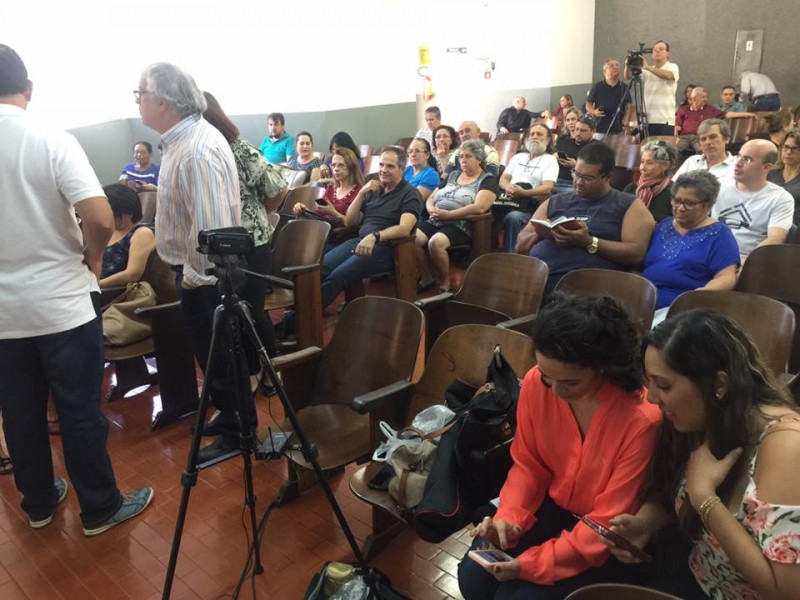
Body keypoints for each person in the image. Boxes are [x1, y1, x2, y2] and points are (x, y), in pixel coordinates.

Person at [0, 44, 153, 535]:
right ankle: (100, 508)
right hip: (62, 305)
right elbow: (101, 217)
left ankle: (39, 503)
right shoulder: (50, 139)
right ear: (28, 88)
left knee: (19, 414)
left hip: (4, 318)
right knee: (79, 410)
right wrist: (92, 257)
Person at [457, 293, 662, 600]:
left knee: (517, 597)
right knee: (474, 577)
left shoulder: (641, 419)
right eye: (547, 377)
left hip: (604, 534)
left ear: (602, 368)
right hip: (554, 506)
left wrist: (530, 565)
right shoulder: (536, 384)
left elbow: (607, 521)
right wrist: (510, 518)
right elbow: (529, 465)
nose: (555, 391)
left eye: (570, 382)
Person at [603, 310, 800, 600]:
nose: (653, 398)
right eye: (650, 383)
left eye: (664, 385)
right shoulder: (703, 417)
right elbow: (674, 493)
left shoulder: (786, 448)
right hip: (694, 576)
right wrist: (645, 524)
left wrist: (705, 498)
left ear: (719, 384)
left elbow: (787, 591)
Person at [137, 62, 244, 463]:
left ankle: (238, 431)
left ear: (162, 101)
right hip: (194, 272)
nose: (137, 101)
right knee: (210, 354)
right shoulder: (180, 141)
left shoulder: (197, 149)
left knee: (221, 353)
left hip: (206, 276)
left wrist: (196, 279)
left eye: (140, 94)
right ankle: (229, 413)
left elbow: (210, 228)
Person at [202, 91, 286, 362]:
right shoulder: (200, 153)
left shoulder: (240, 149)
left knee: (251, 310)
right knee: (227, 312)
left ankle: (269, 369)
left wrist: (257, 214)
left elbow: (277, 188)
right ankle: (245, 370)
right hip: (220, 244)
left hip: (252, 243)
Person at [516, 143, 655, 294]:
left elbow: (636, 254)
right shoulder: (555, 201)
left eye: (588, 178)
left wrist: (588, 241)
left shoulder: (628, 205)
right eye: (576, 174)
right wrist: (542, 233)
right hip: (536, 279)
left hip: (587, 289)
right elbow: (520, 245)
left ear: (608, 177)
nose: (579, 182)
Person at [318, 147, 421, 310]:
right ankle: (303, 310)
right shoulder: (375, 190)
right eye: (381, 165)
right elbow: (350, 222)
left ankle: (303, 317)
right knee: (320, 269)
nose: (383, 170)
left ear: (402, 169)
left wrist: (375, 236)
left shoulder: (410, 194)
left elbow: (404, 228)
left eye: (390, 166)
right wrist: (361, 193)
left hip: (386, 247)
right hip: (359, 241)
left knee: (339, 275)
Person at [641, 171, 740, 323]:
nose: (680, 208)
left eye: (689, 203)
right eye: (677, 200)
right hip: (643, 298)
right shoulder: (664, 226)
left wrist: (699, 294)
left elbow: (726, 277)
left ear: (707, 206)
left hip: (681, 309)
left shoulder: (720, 234)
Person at [416, 139, 499, 293]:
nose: (463, 160)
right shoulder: (453, 175)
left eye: (468, 156)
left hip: (460, 225)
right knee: (411, 238)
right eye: (461, 157)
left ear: (479, 159)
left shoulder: (488, 179)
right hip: (436, 219)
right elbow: (431, 198)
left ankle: (445, 281)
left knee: (435, 242)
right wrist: (432, 209)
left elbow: (480, 207)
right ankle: (426, 277)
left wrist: (449, 215)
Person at [712, 139, 794, 258]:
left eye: (747, 159)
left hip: (745, 258)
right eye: (739, 156)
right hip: (708, 253)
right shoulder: (717, 187)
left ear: (766, 167)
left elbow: (775, 239)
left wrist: (748, 262)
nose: (738, 163)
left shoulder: (781, 198)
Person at [496, 123, 559, 253]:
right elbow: (503, 179)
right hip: (506, 199)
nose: (534, 137)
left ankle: (511, 256)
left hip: (529, 204)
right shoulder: (518, 157)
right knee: (485, 214)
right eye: (532, 134)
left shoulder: (550, 160)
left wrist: (524, 193)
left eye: (539, 134)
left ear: (548, 139)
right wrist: (508, 187)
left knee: (513, 217)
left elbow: (547, 187)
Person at [99, 183, 157, 288]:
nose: (107, 219)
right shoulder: (109, 231)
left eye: (113, 215)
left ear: (129, 212)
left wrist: (95, 285)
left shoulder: (141, 233)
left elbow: (132, 274)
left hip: (114, 290)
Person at [293, 147, 364, 228]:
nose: (336, 169)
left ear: (351, 167)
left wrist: (333, 213)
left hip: (338, 232)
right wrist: (304, 210)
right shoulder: (331, 188)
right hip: (320, 228)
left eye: (341, 165)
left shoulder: (359, 192)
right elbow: (319, 214)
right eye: (333, 165)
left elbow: (351, 224)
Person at [675, 87, 753, 154]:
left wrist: (745, 114)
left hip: (699, 137)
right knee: (677, 149)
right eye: (703, 97)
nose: (705, 99)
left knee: (701, 150)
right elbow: (677, 125)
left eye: (705, 97)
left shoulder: (709, 109)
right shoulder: (683, 109)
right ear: (695, 98)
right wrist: (675, 134)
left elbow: (726, 114)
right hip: (684, 137)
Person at [625, 40, 679, 136]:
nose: (657, 51)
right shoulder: (646, 71)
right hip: (646, 120)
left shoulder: (672, 66)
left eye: (661, 49)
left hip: (664, 120)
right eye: (655, 50)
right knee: (646, 145)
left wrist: (648, 67)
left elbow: (668, 75)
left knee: (662, 146)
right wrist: (627, 65)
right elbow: (628, 76)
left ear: (668, 53)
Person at [623, 141, 676, 223]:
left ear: (665, 166)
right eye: (642, 162)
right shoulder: (631, 188)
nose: (642, 168)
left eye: (649, 163)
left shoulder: (673, 193)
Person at [673, 118, 736, 183]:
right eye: (703, 139)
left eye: (713, 137)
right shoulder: (691, 161)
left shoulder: (736, 166)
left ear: (726, 139)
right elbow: (674, 187)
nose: (707, 142)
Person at [554, 114, 598, 193]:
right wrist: (554, 157)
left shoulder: (598, 148)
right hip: (555, 180)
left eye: (583, 131)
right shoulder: (565, 142)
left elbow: (596, 171)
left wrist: (575, 165)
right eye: (576, 129)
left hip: (576, 184)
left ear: (593, 131)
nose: (578, 133)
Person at [586, 58, 630, 136]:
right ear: (604, 71)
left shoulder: (624, 87)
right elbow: (588, 104)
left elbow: (628, 105)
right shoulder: (597, 87)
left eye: (617, 65)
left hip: (618, 128)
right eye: (611, 66)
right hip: (600, 127)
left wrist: (626, 118)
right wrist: (594, 112)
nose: (615, 67)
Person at [767, 128, 800, 230]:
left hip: (793, 230)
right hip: (764, 224)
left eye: (795, 148)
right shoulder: (769, 174)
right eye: (786, 147)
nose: (789, 152)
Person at [404, 138, 440, 202]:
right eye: (410, 151)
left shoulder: (431, 175)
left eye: (417, 151)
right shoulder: (407, 170)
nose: (413, 155)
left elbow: (414, 199)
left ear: (427, 155)